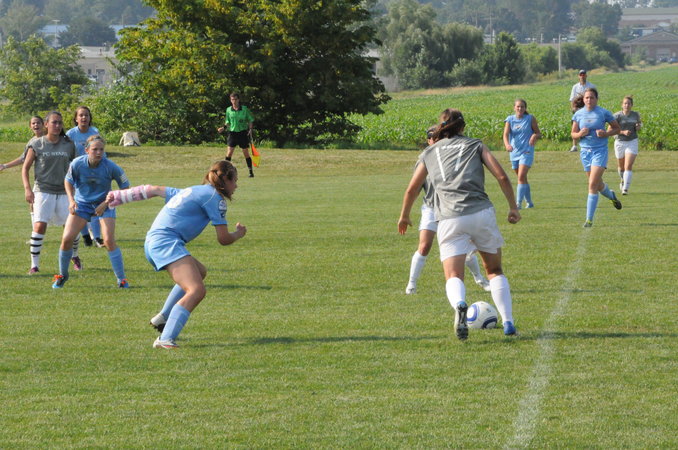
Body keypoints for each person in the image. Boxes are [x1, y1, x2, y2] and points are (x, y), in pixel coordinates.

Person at [398, 109, 521, 340]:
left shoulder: (429, 152)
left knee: (454, 274)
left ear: (441, 126)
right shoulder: (476, 145)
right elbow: (502, 177)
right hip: (481, 212)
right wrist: (513, 207)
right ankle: (508, 322)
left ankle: (460, 305)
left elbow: (412, 188)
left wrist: (404, 215)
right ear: (463, 127)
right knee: (494, 271)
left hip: (449, 217)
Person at [100, 160, 247, 349]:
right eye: (234, 181)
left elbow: (153, 190)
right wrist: (239, 234)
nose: (236, 186)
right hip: (166, 243)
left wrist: (120, 196)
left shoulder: (192, 190)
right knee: (196, 290)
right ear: (225, 179)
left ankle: (163, 317)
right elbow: (223, 239)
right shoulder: (215, 198)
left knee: (199, 272)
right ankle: (165, 339)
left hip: (153, 242)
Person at [406, 126, 490, 295]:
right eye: (433, 137)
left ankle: (480, 279)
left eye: (439, 136)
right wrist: (404, 215)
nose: (436, 139)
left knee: (465, 248)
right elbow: (414, 189)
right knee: (424, 246)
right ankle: (411, 284)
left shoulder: (449, 156)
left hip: (452, 208)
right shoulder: (425, 158)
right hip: (431, 208)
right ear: (428, 140)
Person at [52, 136, 131, 289]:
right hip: (82, 205)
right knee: (67, 239)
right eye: (95, 149)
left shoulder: (111, 166)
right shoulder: (77, 164)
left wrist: (106, 202)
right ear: (87, 150)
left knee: (108, 241)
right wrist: (71, 200)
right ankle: (62, 275)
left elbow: (126, 188)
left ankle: (121, 280)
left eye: (101, 149)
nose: (99, 152)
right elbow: (68, 181)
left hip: (105, 205)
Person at [21, 111, 77, 274]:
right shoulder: (36, 144)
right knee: (39, 226)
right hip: (43, 190)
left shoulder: (68, 144)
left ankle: (75, 256)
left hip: (64, 191)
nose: (57, 125)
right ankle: (34, 265)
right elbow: (25, 168)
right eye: (54, 122)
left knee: (71, 227)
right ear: (46, 124)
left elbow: (75, 167)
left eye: (60, 123)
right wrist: (27, 189)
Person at [571, 88, 622, 227]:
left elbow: (617, 128)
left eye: (592, 97)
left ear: (596, 99)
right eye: (587, 98)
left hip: (600, 151)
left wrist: (606, 134)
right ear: (583, 99)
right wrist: (580, 134)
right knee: (598, 184)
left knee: (592, 184)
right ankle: (612, 196)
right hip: (585, 152)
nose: (589, 100)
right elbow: (573, 134)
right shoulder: (578, 114)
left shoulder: (603, 112)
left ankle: (589, 220)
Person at [66, 106, 104, 247]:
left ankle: (98, 237)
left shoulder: (95, 132)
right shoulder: (71, 134)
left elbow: (101, 151)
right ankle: (86, 235)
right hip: (78, 174)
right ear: (76, 118)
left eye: (86, 115)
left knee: (96, 204)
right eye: (81, 115)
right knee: (80, 206)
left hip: (94, 173)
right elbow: (67, 154)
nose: (84, 118)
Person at [1, 116, 45, 226]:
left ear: (43, 124)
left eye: (38, 123)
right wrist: (5, 166)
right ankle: (35, 232)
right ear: (30, 126)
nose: (36, 125)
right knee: (32, 202)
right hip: (41, 180)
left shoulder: (51, 138)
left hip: (57, 178)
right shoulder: (32, 142)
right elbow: (23, 159)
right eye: (33, 123)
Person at [503, 99, 541, 209]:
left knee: (521, 176)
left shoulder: (530, 118)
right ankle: (529, 202)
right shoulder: (510, 119)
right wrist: (507, 145)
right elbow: (505, 135)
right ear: (514, 108)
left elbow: (538, 133)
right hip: (514, 152)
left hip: (527, 151)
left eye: (522, 107)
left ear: (525, 108)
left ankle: (518, 203)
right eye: (518, 106)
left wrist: (534, 136)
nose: (520, 108)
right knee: (522, 179)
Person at [217, 93, 255, 177]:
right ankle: (226, 172)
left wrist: (250, 129)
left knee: (246, 153)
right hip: (232, 133)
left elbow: (250, 119)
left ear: (238, 100)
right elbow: (227, 121)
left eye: (235, 99)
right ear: (230, 100)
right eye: (232, 99)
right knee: (229, 153)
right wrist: (223, 128)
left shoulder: (244, 109)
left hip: (242, 133)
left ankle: (250, 172)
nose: (234, 101)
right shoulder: (228, 110)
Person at [613, 96, 642, 195]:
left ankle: (625, 188)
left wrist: (638, 126)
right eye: (625, 103)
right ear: (622, 105)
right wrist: (622, 132)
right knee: (621, 167)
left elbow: (638, 126)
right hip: (620, 142)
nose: (627, 105)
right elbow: (610, 130)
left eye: (629, 103)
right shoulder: (617, 116)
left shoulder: (635, 115)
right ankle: (622, 179)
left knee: (628, 165)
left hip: (632, 141)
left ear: (631, 105)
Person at [568, 70, 596, 152]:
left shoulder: (591, 86)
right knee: (575, 127)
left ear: (586, 76)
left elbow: (595, 99)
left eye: (584, 74)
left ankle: (589, 144)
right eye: (581, 75)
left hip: (588, 109)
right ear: (578, 76)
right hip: (578, 110)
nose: (582, 76)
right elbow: (572, 99)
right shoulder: (575, 87)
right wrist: (573, 109)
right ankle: (574, 146)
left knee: (589, 126)